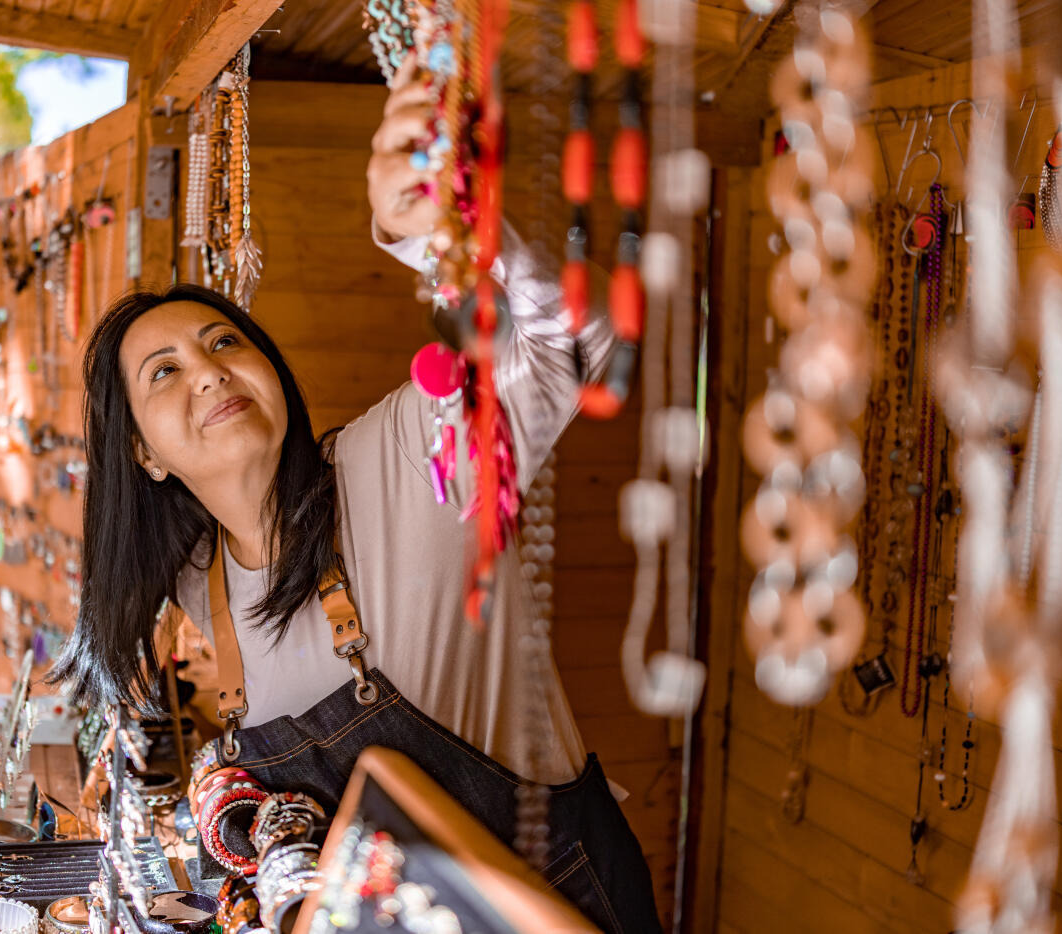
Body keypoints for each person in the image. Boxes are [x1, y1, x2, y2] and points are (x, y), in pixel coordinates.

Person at [51, 58, 660, 934]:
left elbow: (579, 338)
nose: (210, 371)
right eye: (165, 371)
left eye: (224, 340)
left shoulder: (404, 452)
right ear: (144, 454)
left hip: (553, 907)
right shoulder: (200, 582)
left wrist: (438, 235)